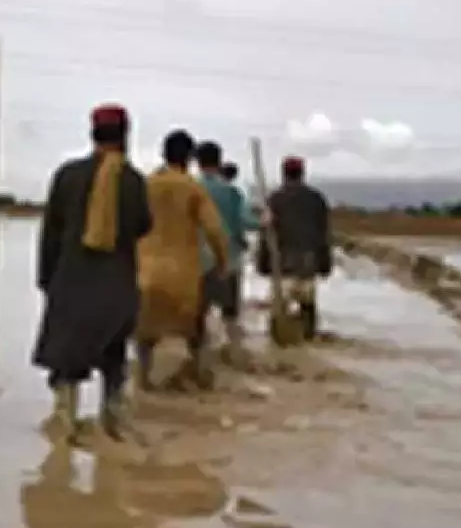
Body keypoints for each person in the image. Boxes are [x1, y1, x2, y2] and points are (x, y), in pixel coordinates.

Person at [32, 104, 153, 441]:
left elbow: (50, 234)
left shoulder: (67, 176)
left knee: (67, 362)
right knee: (113, 360)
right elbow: (144, 226)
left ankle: (63, 432)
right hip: (117, 287)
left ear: (92, 134)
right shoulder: (133, 181)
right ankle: (111, 428)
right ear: (125, 136)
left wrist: (47, 280)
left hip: (71, 283)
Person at [135, 130, 230, 390]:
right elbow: (215, 230)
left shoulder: (146, 185)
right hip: (182, 276)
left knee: (145, 335)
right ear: (190, 158)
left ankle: (142, 382)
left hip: (145, 272)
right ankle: (198, 378)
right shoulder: (193, 188)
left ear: (163, 154)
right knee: (194, 331)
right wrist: (222, 263)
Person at [256, 155, 332, 338]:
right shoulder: (317, 199)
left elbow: (266, 235)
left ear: (283, 174)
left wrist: (262, 263)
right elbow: (324, 235)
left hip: (283, 266)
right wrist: (325, 264)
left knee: (278, 316)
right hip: (308, 264)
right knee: (308, 309)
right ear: (302, 173)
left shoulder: (274, 200)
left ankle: (280, 346)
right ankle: (308, 340)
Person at [193, 141, 250, 353]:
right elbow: (243, 221)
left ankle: (199, 358)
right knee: (230, 315)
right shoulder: (231, 192)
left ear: (197, 162)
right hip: (229, 260)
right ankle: (235, 354)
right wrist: (264, 222)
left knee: (199, 315)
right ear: (219, 161)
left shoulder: (191, 188)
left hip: (197, 262)